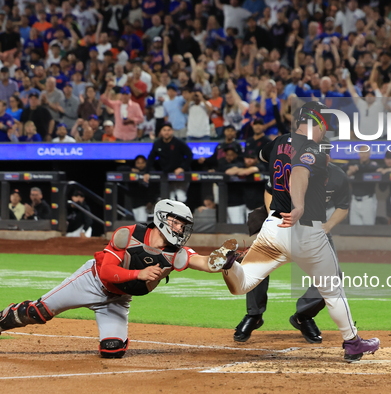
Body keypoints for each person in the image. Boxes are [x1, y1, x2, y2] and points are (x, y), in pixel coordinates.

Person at [207, 101, 380, 362]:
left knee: (244, 281)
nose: (324, 132)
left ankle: (230, 265)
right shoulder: (314, 148)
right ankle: (352, 342)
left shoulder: (278, 141)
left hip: (274, 228)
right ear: (316, 123)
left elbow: (266, 157)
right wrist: (299, 205)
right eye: (323, 125)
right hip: (305, 230)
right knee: (332, 290)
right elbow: (299, 170)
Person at [0, 200, 219, 358]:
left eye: (184, 225)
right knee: (37, 312)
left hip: (117, 300)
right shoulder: (128, 234)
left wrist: (228, 260)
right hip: (90, 282)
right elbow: (106, 271)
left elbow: (205, 263)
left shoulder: (176, 252)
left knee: (112, 350)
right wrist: (138, 274)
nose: (181, 229)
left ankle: (116, 339)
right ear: (164, 218)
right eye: (178, 223)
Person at [234, 157, 351, 344]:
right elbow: (269, 191)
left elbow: (343, 206)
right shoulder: (290, 168)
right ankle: (254, 315)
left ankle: (303, 316)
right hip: (281, 222)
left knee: (333, 276)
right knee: (255, 265)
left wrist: (328, 226)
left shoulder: (338, 176)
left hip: (312, 228)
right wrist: (273, 218)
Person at [144, 123, 193, 202]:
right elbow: (151, 158)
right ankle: (172, 214)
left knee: (181, 197)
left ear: (172, 131)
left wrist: (182, 168)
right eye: (164, 130)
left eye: (168, 130)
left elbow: (189, 155)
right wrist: (147, 172)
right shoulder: (157, 143)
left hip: (180, 175)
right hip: (167, 175)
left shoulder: (178, 143)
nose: (166, 132)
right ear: (161, 132)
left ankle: (182, 214)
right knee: (170, 199)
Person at [347, 151, 379, 225]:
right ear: (359, 154)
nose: (364, 155)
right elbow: (345, 169)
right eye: (362, 152)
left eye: (366, 153)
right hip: (354, 200)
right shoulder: (353, 163)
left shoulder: (373, 164)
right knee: (354, 228)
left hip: (368, 200)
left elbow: (374, 168)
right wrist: (350, 170)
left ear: (369, 154)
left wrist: (357, 168)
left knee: (368, 228)